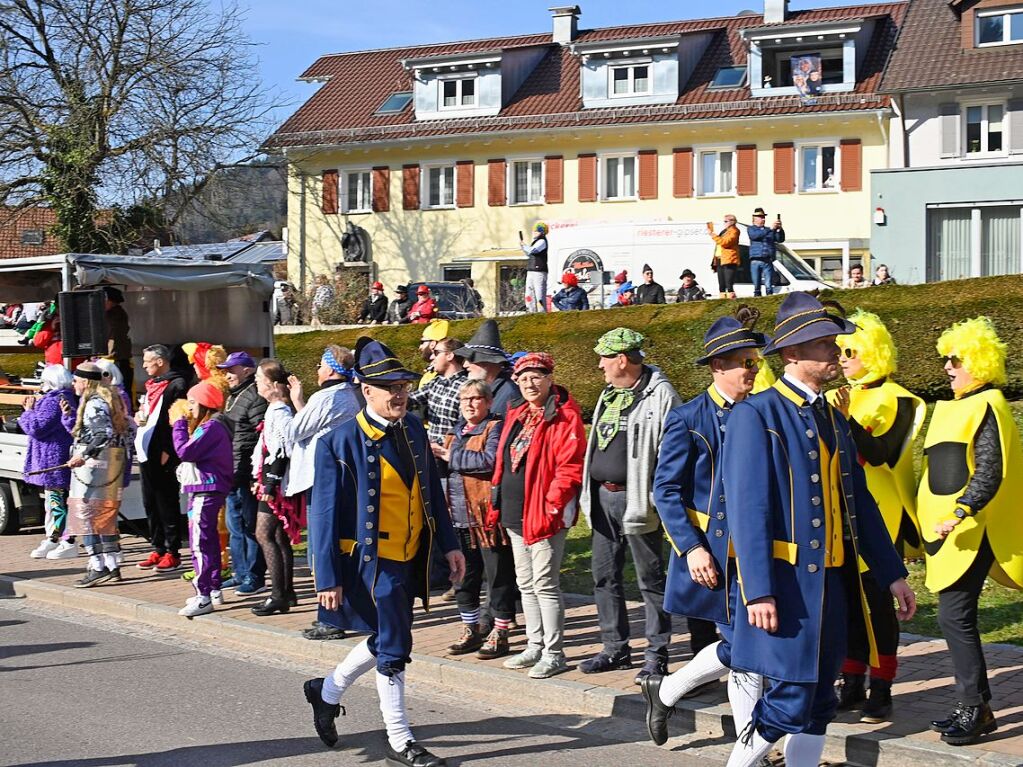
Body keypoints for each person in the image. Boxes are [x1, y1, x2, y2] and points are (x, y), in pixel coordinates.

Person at [721, 293, 916, 767]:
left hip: (834, 580)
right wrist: (759, 591)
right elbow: (747, 510)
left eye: (834, 342)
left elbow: (860, 502)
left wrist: (892, 571)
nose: (836, 352)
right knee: (789, 697)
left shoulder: (831, 414)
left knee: (820, 702)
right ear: (792, 354)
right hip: (785, 584)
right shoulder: (756, 413)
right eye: (824, 344)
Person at [303, 337, 464, 767]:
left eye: (403, 386)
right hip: (370, 563)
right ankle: (401, 739)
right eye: (388, 387)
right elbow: (322, 514)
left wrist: (449, 545)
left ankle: (327, 691)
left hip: (411, 555)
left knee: (386, 637)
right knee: (394, 644)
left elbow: (432, 492)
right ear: (365, 390)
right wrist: (327, 577)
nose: (398, 394)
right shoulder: (337, 442)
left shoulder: (413, 428)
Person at [643, 307, 770, 746]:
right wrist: (692, 548)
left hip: (756, 553)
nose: (754, 369)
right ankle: (751, 746)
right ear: (719, 367)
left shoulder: (761, 413)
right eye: (746, 363)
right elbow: (666, 491)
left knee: (746, 649)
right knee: (746, 650)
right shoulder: (688, 418)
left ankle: (667, 690)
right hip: (712, 554)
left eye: (755, 362)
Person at [918, 317, 1023, 746]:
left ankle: (974, 708)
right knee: (953, 616)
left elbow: (990, 471)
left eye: (955, 359)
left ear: (978, 361)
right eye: (946, 358)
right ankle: (975, 706)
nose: (947, 367)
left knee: (954, 615)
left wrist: (961, 512)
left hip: (971, 531)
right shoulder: (952, 407)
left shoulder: (988, 405)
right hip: (947, 533)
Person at [826, 310, 925, 723]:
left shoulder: (899, 398)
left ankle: (882, 687)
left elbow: (883, 452)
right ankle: (851, 681)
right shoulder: (837, 397)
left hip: (882, 517)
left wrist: (846, 422)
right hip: (842, 516)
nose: (844, 358)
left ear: (875, 354)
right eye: (840, 351)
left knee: (879, 605)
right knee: (848, 601)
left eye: (852, 351)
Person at [579, 329, 681, 683]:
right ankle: (615, 648)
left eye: (604, 358)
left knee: (650, 578)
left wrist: (657, 496)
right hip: (603, 497)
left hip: (638, 500)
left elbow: (673, 452)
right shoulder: (610, 393)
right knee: (604, 575)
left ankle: (657, 653)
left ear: (622, 359)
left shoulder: (661, 395)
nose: (599, 365)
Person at [491, 352, 585, 680]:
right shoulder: (517, 412)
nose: (529, 383)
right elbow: (503, 458)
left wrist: (552, 504)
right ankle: (534, 644)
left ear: (549, 378)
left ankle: (554, 652)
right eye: (523, 377)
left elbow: (570, 466)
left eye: (536, 376)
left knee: (545, 582)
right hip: (517, 513)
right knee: (525, 583)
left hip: (544, 513)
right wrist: (497, 499)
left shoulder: (564, 415)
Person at [285, 345, 362, 641]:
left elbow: (295, 431)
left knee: (322, 549)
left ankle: (331, 618)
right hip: (340, 478)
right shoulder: (348, 395)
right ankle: (334, 614)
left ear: (330, 369)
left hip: (322, 479)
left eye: (320, 365)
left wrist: (294, 402)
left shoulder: (327, 396)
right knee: (335, 547)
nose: (317, 370)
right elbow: (311, 425)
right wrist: (302, 402)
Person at [436, 379, 516, 658]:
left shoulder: (495, 428)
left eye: (476, 399)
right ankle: (471, 629)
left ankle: (501, 632)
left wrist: (450, 455)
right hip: (459, 517)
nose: (470, 404)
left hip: (488, 518)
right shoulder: (454, 433)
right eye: (465, 399)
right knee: (463, 577)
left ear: (488, 402)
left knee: (498, 577)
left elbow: (490, 460)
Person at [65, 362, 131, 588]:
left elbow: (103, 434)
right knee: (103, 517)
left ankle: (97, 566)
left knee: (86, 517)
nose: (73, 384)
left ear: (85, 381)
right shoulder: (108, 399)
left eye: (75, 380)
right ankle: (112, 566)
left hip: (93, 467)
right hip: (108, 465)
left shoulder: (94, 404)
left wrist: (83, 455)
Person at [170, 381, 233, 617]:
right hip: (203, 487)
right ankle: (214, 587)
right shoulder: (210, 426)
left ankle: (203, 594)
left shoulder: (211, 427)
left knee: (199, 542)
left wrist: (178, 423)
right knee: (208, 540)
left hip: (206, 489)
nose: (189, 407)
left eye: (193, 402)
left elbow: (185, 451)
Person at [251, 359, 303, 616]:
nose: (256, 383)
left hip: (278, 483)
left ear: (272, 385)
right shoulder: (274, 409)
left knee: (264, 534)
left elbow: (281, 451)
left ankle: (278, 595)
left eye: (260, 379)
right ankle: (287, 592)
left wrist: (269, 484)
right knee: (279, 537)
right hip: (273, 480)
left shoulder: (280, 411)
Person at [134, 344, 188, 572]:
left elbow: (178, 419)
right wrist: (139, 416)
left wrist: (169, 449)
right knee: (150, 501)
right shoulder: (151, 385)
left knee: (166, 501)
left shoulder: (177, 384)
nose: (144, 365)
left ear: (159, 361)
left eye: (147, 361)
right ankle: (157, 546)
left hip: (165, 451)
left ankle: (172, 551)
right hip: (147, 448)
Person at [219, 351, 269, 596]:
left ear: (247, 370)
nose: (227, 374)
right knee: (234, 525)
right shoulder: (232, 397)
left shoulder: (255, 396)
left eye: (232, 369)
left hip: (247, 473)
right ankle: (239, 573)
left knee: (250, 525)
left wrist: (256, 474)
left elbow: (261, 436)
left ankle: (254, 575)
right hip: (231, 470)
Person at [22, 365, 79, 560]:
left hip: (52, 456)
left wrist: (28, 411)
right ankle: (55, 538)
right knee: (55, 500)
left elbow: (36, 427)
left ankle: (61, 539)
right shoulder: (66, 397)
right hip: (57, 453)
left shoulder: (53, 401)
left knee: (56, 500)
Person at [410, 338, 467, 451]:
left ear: (450, 355)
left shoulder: (465, 387)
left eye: (436, 353)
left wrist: (437, 443)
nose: (432, 358)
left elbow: (463, 427)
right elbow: (412, 400)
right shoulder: (436, 382)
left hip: (450, 454)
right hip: (430, 450)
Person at [454, 320, 517, 417]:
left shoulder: (510, 395)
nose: (465, 365)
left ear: (487, 362)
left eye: (471, 359)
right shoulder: (486, 389)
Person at [746, 208, 785, 298]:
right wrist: (771, 229)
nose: (763, 219)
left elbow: (780, 239)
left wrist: (779, 229)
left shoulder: (769, 230)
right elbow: (755, 236)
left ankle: (768, 300)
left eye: (763, 217)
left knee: (769, 287)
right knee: (757, 287)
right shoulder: (751, 229)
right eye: (760, 217)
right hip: (755, 259)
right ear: (754, 218)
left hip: (767, 260)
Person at [104, 286, 133, 395]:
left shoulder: (115, 314)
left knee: (120, 388)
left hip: (117, 358)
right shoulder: (114, 313)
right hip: (114, 357)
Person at [708, 215, 740, 299]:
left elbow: (725, 242)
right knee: (721, 285)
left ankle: (731, 299)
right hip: (720, 259)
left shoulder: (734, 231)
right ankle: (722, 300)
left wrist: (713, 235)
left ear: (732, 222)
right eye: (724, 221)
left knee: (729, 284)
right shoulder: (724, 231)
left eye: (726, 221)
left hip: (729, 260)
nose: (724, 223)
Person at [520, 221, 549, 313]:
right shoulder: (535, 242)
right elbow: (529, 253)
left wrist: (524, 246)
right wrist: (523, 247)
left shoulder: (542, 241)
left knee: (539, 295)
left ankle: (542, 313)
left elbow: (533, 250)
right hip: (531, 270)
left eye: (537, 231)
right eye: (534, 231)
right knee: (529, 294)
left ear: (542, 232)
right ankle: (530, 312)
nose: (534, 232)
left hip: (539, 272)